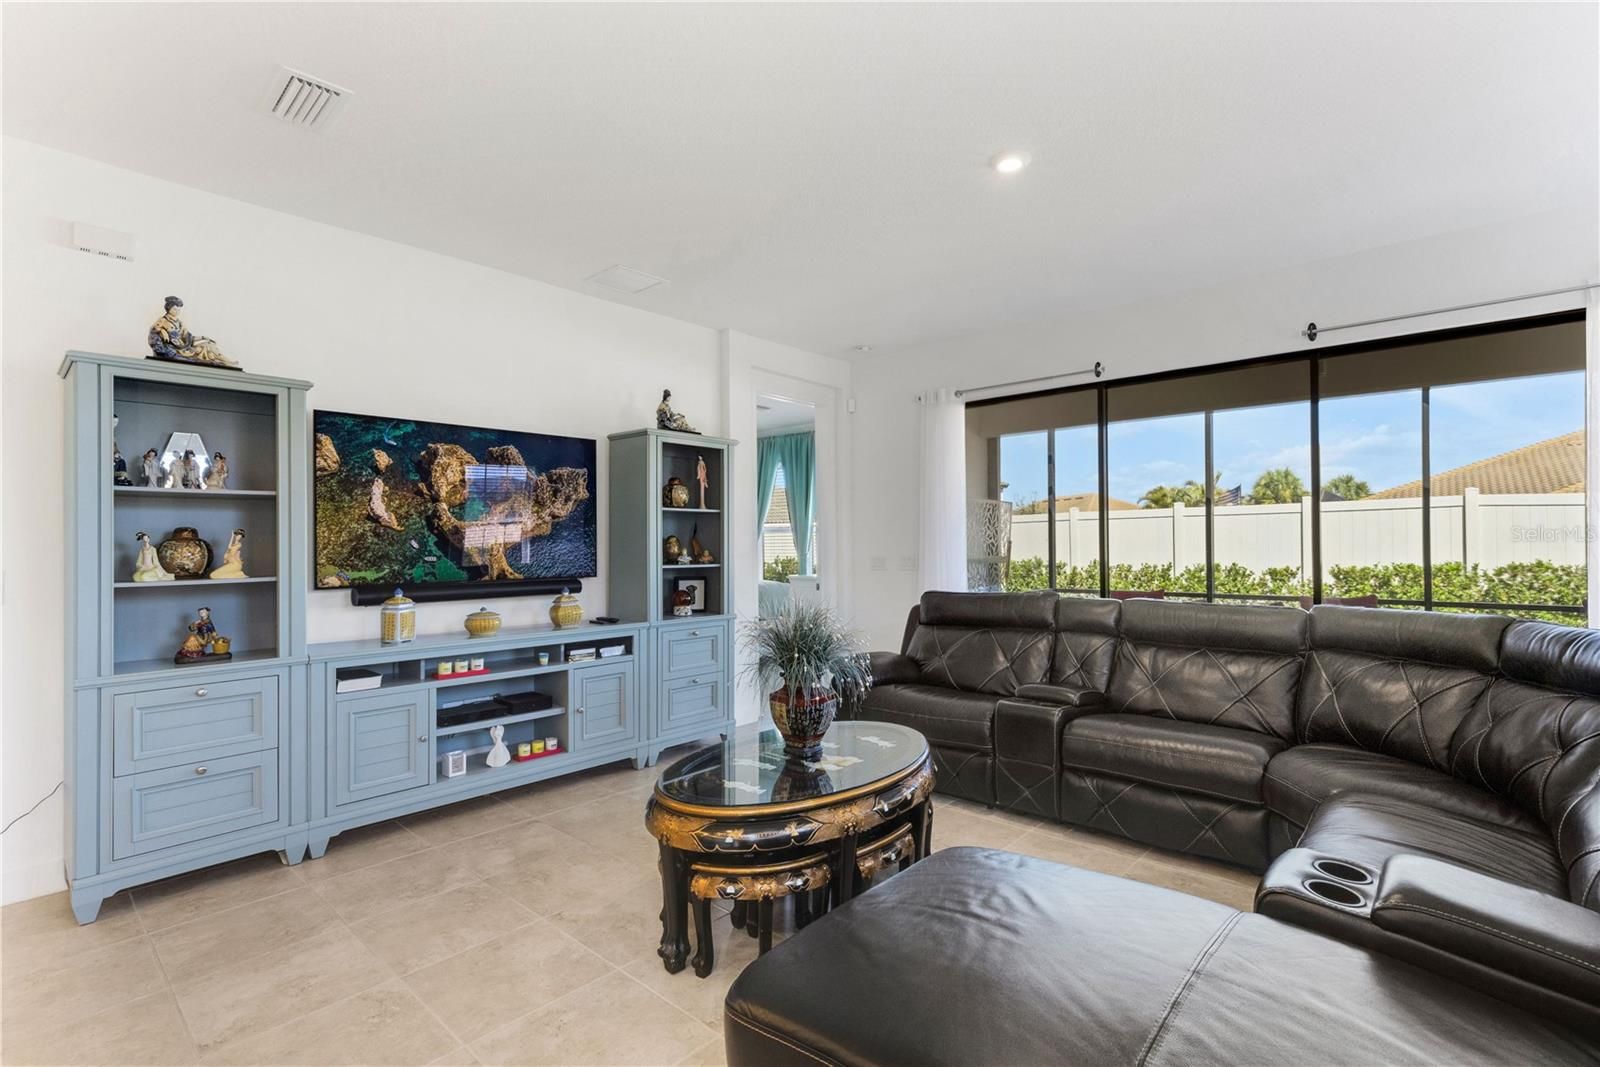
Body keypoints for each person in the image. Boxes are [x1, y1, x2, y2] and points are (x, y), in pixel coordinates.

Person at [148, 296, 239, 369]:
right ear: (168, 309)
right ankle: (225, 362)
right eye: (175, 309)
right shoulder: (163, 320)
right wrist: (162, 331)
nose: (177, 311)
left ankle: (226, 362)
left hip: (184, 348)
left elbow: (189, 338)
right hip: (174, 351)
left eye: (179, 309)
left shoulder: (180, 322)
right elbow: (153, 332)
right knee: (204, 350)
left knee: (208, 345)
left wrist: (203, 337)